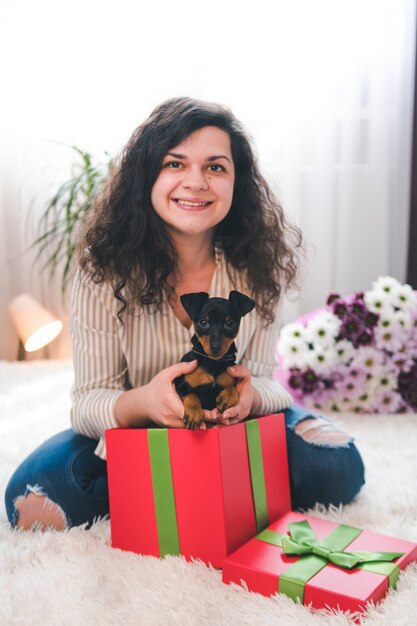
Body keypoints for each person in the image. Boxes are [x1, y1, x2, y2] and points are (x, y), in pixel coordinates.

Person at [5, 97, 365, 530]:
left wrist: (250, 399)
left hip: (235, 427)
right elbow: (88, 403)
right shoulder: (102, 269)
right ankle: (204, 483)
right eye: (175, 164)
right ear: (147, 177)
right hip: (139, 432)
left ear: (238, 183)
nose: (195, 182)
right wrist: (148, 403)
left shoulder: (258, 266)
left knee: (339, 465)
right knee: (31, 498)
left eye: (215, 167)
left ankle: (186, 485)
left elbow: (269, 382)